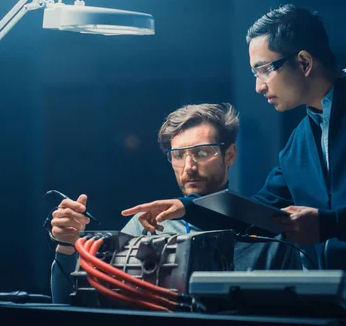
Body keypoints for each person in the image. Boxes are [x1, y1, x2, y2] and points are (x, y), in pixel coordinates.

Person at [124, 5, 346, 323]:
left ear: (303, 61)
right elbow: (257, 212)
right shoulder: (300, 141)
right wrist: (186, 208)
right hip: (340, 308)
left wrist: (331, 224)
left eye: (263, 70)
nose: (258, 86)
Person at [49, 103, 302, 304]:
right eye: (178, 156)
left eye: (202, 153)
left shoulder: (267, 236)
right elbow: (70, 304)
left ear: (230, 155)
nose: (189, 167)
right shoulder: (146, 226)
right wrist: (67, 246)